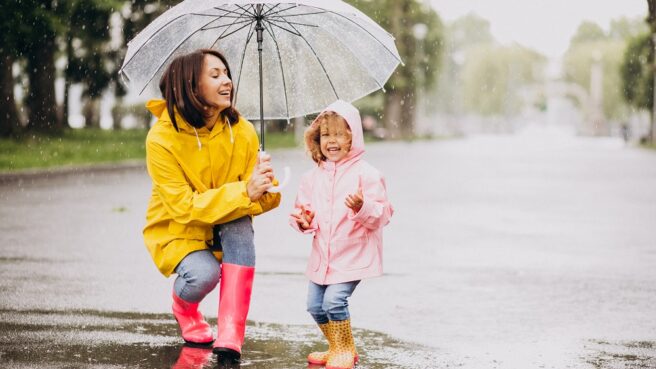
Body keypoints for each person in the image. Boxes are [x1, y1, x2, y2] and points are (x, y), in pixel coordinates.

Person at [143, 49, 281, 362]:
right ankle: (184, 307)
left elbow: (257, 197)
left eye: (227, 73)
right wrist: (245, 191)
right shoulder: (161, 139)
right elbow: (182, 206)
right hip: (181, 227)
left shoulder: (242, 130)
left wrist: (265, 185)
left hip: (227, 225)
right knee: (203, 274)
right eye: (215, 75)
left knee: (240, 222)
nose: (227, 81)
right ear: (191, 87)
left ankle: (231, 331)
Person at [289, 100, 393, 369]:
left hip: (353, 254)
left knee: (334, 301)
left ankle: (346, 348)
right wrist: (303, 220)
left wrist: (362, 207)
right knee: (314, 305)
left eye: (338, 134)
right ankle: (336, 346)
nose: (331, 141)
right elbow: (302, 211)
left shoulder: (367, 174)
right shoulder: (311, 178)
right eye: (325, 135)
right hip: (322, 256)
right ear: (317, 138)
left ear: (352, 137)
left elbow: (383, 214)